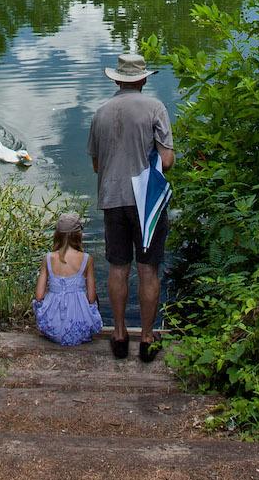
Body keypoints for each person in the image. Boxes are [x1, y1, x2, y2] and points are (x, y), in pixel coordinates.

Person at [87, 51, 174, 362]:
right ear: (143, 79)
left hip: (113, 200)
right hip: (146, 203)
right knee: (148, 270)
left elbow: (97, 165)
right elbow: (166, 160)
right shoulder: (155, 108)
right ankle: (148, 339)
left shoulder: (100, 113)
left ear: (117, 80)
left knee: (118, 267)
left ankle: (120, 334)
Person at [32, 211, 104, 346]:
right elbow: (91, 298)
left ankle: (56, 327)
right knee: (93, 303)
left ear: (57, 234)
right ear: (79, 235)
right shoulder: (86, 259)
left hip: (52, 327)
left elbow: (39, 296)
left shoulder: (48, 258)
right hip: (78, 327)